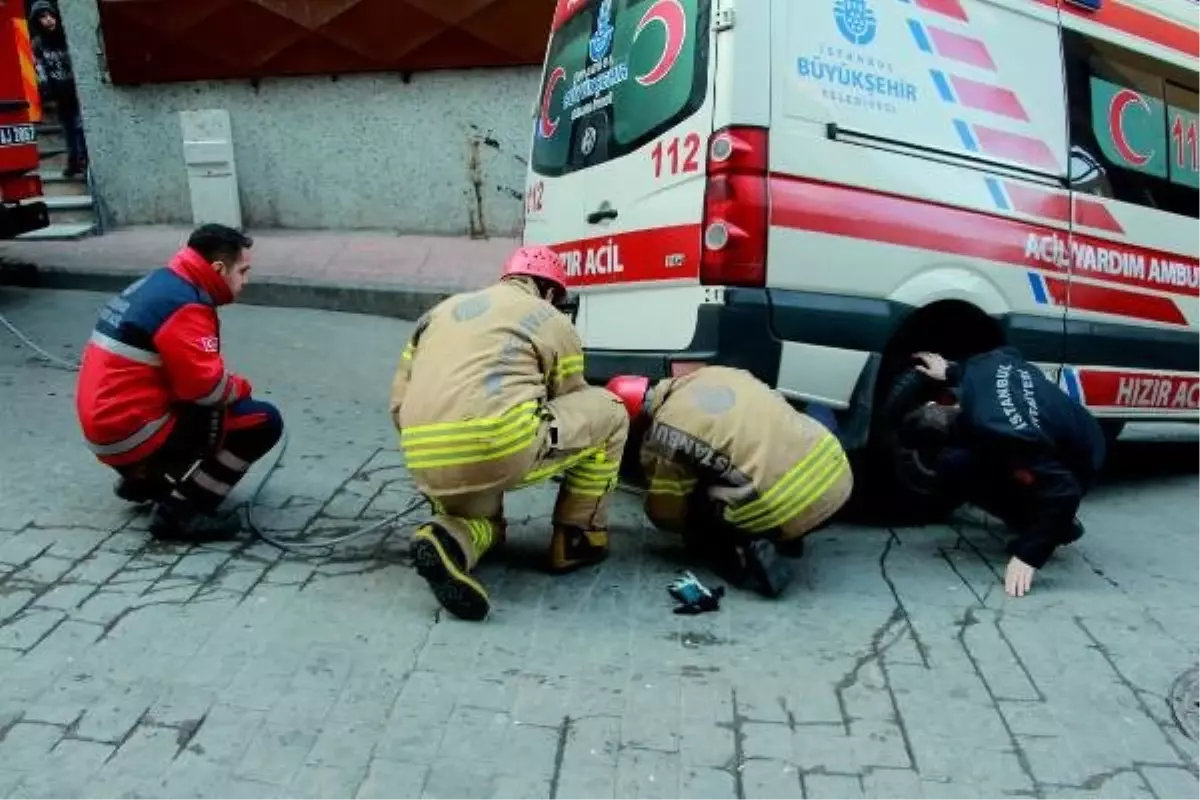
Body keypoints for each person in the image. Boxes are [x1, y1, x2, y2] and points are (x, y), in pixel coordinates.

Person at [390, 246, 628, 622]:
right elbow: (570, 397)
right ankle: (578, 538)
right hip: (501, 445)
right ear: (549, 291)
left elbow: (398, 402)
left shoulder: (437, 313)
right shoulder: (548, 316)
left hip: (423, 455)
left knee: (481, 523)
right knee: (610, 412)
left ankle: (447, 539)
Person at [75, 224, 283, 542]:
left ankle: (146, 479)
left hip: (105, 425)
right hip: (130, 430)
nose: (246, 281)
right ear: (218, 269)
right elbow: (207, 389)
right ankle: (181, 512)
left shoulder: (163, 282)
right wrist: (241, 388)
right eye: (242, 271)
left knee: (204, 404)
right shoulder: (186, 305)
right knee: (261, 421)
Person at [606, 365, 854, 598]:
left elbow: (666, 512)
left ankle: (744, 555)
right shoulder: (716, 373)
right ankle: (791, 536)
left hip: (783, 507)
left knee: (699, 507)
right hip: (837, 478)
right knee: (770, 449)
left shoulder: (664, 430)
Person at [900, 346, 1106, 598]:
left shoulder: (1003, 434)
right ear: (936, 402)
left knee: (954, 465)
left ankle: (1052, 525)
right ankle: (1044, 518)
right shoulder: (980, 366)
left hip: (1080, 459)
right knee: (980, 457)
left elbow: (1065, 490)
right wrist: (952, 370)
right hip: (1078, 424)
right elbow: (1011, 352)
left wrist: (1029, 554)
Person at [29, 1, 88, 177]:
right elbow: (40, 69)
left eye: (50, 15)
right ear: (37, 21)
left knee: (79, 126)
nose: (48, 20)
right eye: (43, 17)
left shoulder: (67, 36)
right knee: (68, 128)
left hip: (76, 89)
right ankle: (74, 161)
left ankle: (85, 160)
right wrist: (46, 93)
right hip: (59, 92)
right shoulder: (38, 44)